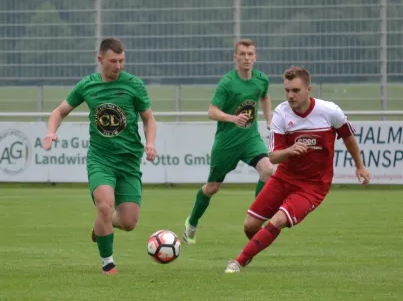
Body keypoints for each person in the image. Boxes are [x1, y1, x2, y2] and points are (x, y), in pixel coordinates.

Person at [225, 65, 371, 273]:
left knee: (278, 219)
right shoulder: (281, 114)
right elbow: (273, 157)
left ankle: (239, 261)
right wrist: (290, 150)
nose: (290, 95)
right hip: (284, 178)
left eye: (296, 90)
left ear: (308, 89)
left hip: (313, 186)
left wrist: (360, 166)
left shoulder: (329, 111)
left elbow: (348, 137)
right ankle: (262, 241)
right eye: (287, 90)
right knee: (250, 225)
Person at [42, 37, 157, 274]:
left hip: (129, 161)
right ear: (100, 59)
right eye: (113, 61)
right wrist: (51, 132)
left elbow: (148, 118)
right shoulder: (87, 85)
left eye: (122, 60)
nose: (118, 66)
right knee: (105, 205)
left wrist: (151, 143)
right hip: (100, 159)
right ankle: (108, 264)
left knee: (128, 222)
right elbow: (59, 111)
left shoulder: (134, 84)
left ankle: (101, 226)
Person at [183, 39, 274, 245]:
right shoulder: (227, 82)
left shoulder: (261, 80)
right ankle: (192, 222)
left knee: (268, 170)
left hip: (250, 139)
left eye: (250, 54)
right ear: (235, 57)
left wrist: (269, 120)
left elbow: (265, 97)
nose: (247, 58)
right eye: (242, 54)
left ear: (255, 57)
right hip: (227, 142)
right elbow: (211, 111)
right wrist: (233, 118)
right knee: (212, 187)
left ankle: (256, 216)